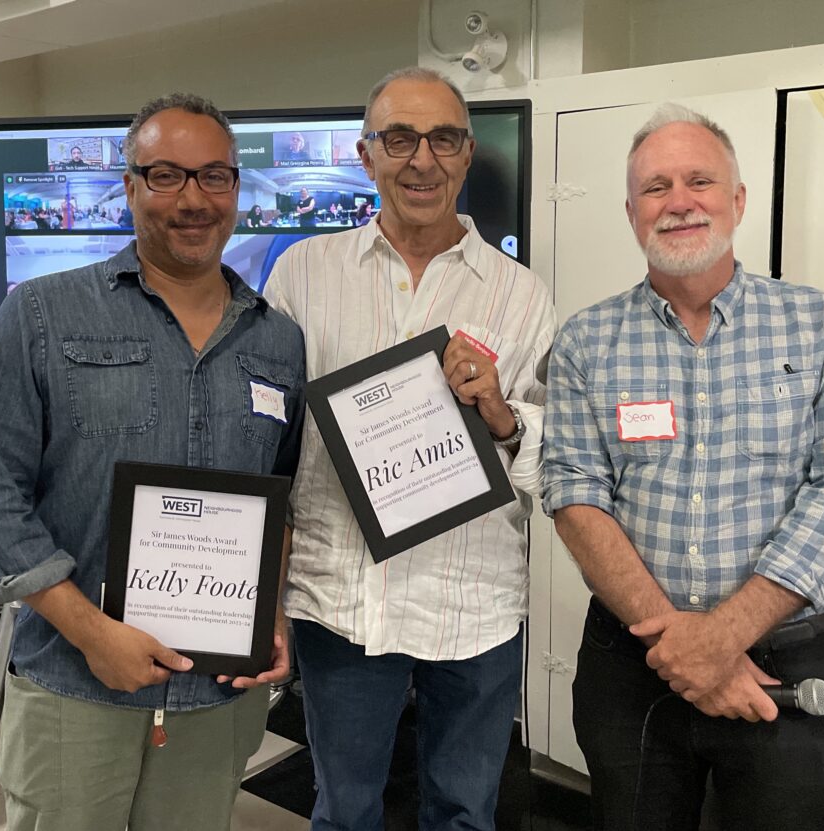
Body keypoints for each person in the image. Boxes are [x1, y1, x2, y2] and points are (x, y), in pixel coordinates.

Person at [0, 93, 306, 830]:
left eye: (213, 176)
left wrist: (268, 608)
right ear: (130, 185)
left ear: (237, 188)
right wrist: (93, 633)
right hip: (75, 686)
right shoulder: (42, 314)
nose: (193, 199)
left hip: (214, 697)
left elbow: (280, 496)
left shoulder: (278, 341)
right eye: (166, 174)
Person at [542, 103, 824, 831]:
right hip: (633, 672)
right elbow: (575, 496)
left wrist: (720, 639)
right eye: (655, 186)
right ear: (631, 212)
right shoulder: (586, 340)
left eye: (699, 180)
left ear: (737, 199)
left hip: (789, 664)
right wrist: (683, 649)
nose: (678, 201)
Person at [263, 66, 556, 831]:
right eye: (399, 138)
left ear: (466, 154)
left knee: (464, 814)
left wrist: (501, 414)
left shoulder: (521, 293)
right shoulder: (301, 274)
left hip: (474, 601)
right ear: (367, 155)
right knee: (344, 811)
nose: (422, 159)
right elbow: (270, 437)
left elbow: (554, 457)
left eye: (444, 139)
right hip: (341, 601)